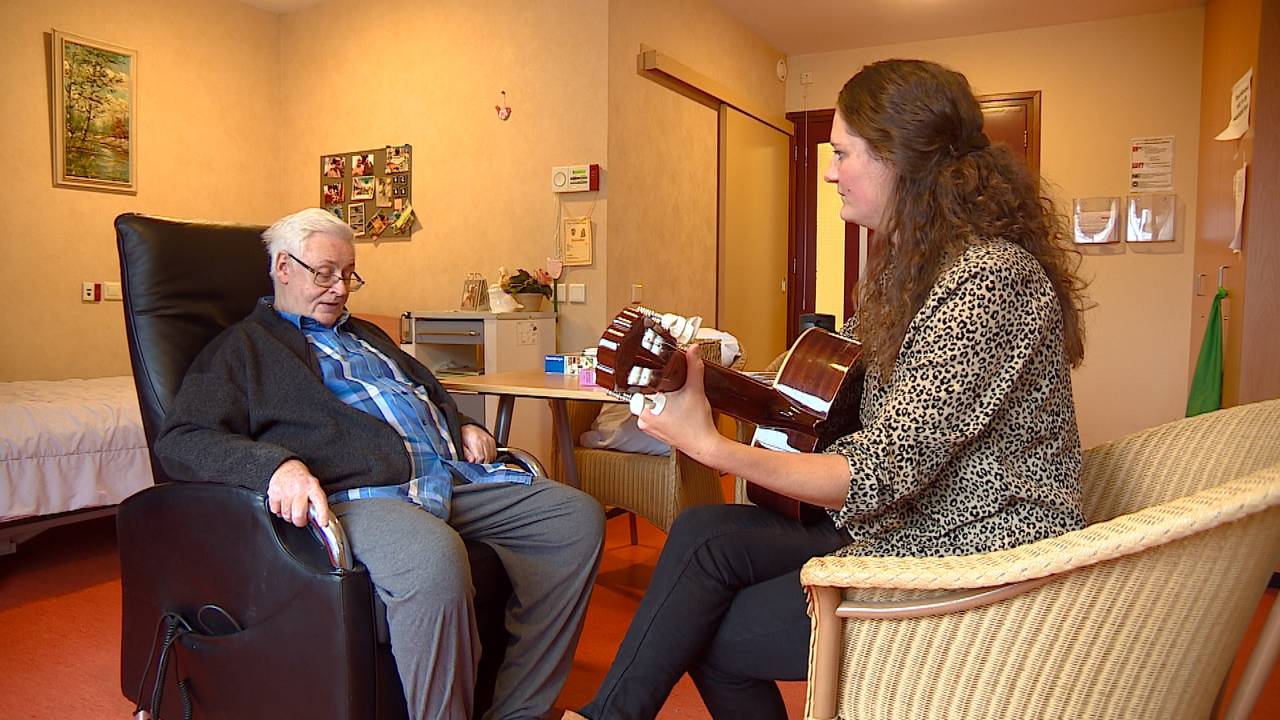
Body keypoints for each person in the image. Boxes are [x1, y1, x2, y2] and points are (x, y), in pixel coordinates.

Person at [566, 58, 1089, 720]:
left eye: (843, 153)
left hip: (969, 546)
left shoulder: (988, 280)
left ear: (903, 158)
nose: (831, 170)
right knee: (704, 533)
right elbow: (845, 406)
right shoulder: (914, 269)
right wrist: (705, 382)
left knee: (716, 638)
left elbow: (888, 464)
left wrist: (713, 448)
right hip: (909, 517)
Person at [155, 207, 605, 720]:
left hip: (448, 476)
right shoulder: (244, 349)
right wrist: (275, 467)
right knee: (431, 558)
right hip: (364, 494)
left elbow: (418, 390)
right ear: (283, 268)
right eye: (324, 273)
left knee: (575, 519)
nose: (341, 288)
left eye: (349, 275)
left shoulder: (367, 334)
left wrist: (461, 423)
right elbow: (181, 440)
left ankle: (519, 711)